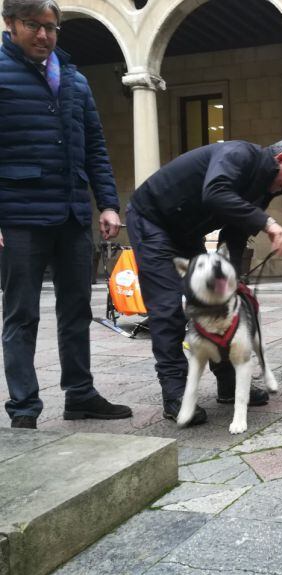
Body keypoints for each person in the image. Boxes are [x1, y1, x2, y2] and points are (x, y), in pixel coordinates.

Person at [0, 0, 132, 429]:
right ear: (9, 24)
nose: (43, 35)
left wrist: (107, 203)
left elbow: (95, 146)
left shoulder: (74, 79)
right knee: (22, 314)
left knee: (76, 308)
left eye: (51, 27)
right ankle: (24, 409)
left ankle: (80, 394)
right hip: (19, 216)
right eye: (32, 25)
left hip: (72, 213)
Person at [126, 138, 282, 425]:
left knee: (222, 302)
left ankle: (228, 384)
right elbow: (214, 192)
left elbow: (235, 233)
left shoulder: (264, 189)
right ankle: (175, 394)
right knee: (166, 309)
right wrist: (268, 223)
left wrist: (233, 277)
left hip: (186, 234)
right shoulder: (237, 154)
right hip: (152, 221)